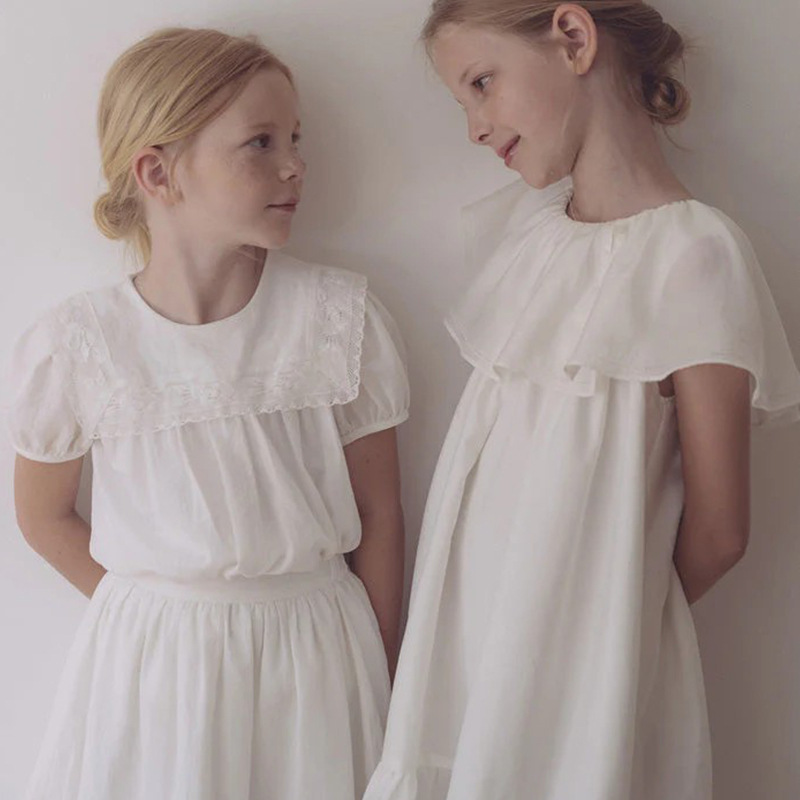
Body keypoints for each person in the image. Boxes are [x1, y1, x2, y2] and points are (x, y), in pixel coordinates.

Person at [365, 2, 800, 799]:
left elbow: (721, 529)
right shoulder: (532, 240)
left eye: (482, 84)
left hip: (584, 677)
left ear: (573, 39)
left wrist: (594, 626)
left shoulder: (694, 255)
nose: (475, 127)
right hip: (468, 649)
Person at [9, 27, 408, 800]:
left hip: (318, 658)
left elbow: (380, 515)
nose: (294, 164)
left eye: (295, 139)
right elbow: (42, 515)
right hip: (157, 673)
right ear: (158, 172)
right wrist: (158, 613)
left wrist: (381, 668)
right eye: (260, 142)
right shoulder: (80, 344)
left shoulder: (336, 320)